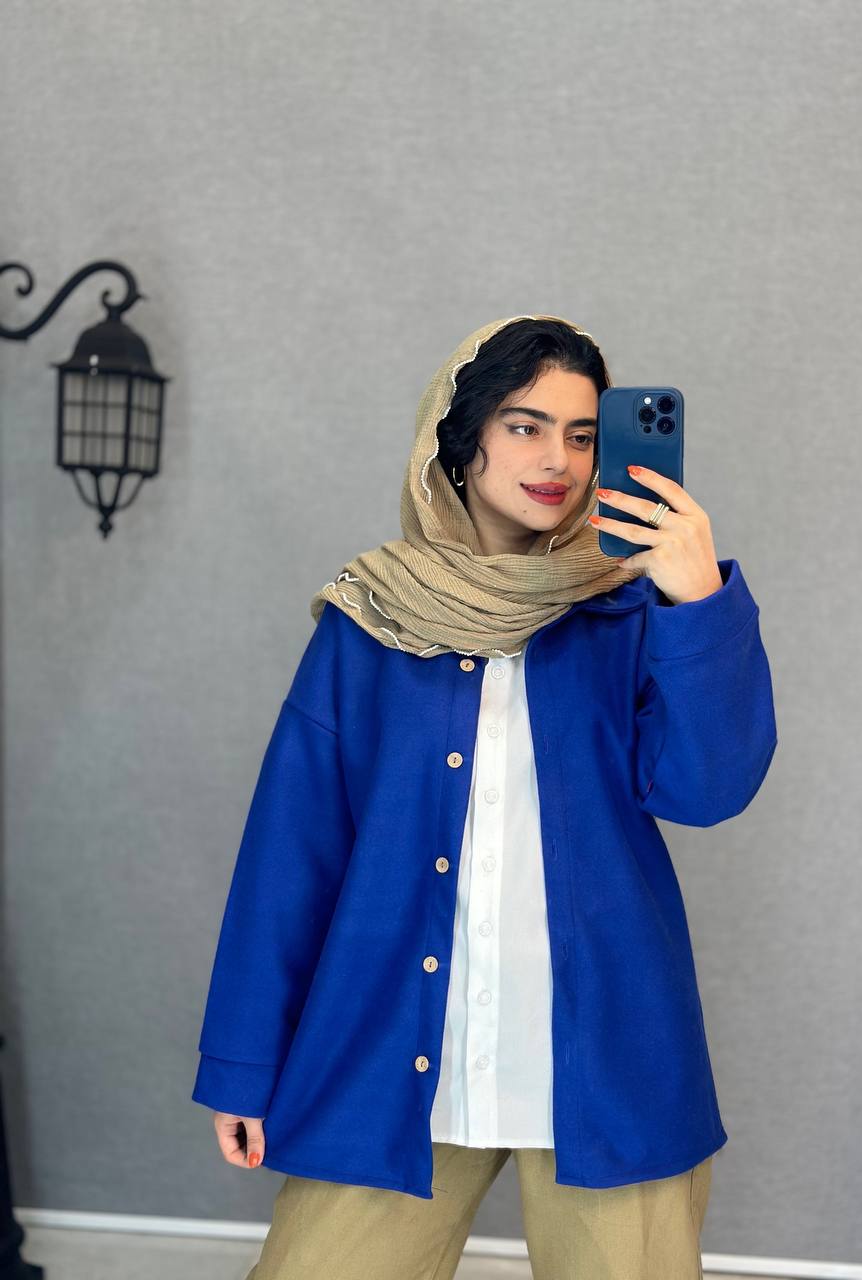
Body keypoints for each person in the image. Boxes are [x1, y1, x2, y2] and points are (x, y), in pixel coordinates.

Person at [191, 314, 778, 1279]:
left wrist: (697, 601)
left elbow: (710, 789)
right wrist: (243, 1064)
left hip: (607, 1059)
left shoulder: (632, 608)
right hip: (393, 1048)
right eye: (524, 425)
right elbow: (288, 860)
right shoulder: (370, 620)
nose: (558, 460)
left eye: (582, 434)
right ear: (460, 439)